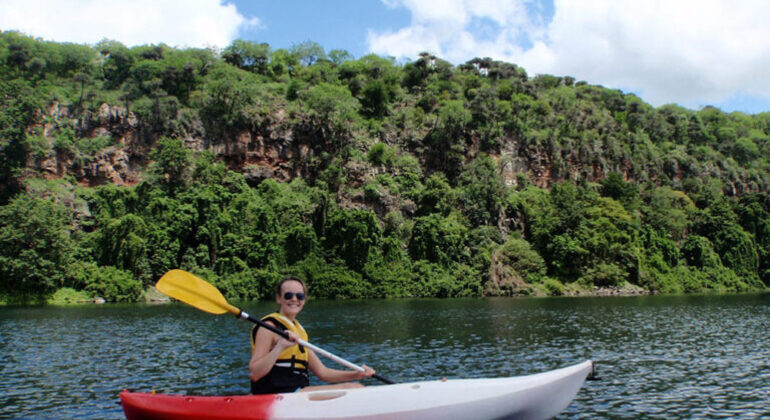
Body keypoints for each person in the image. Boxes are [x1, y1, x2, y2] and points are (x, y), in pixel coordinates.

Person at [249, 276, 376, 394]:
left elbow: (323, 373)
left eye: (300, 296)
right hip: (276, 393)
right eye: (288, 295)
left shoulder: (299, 332)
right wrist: (280, 347)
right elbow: (255, 373)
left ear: (304, 300)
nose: (294, 299)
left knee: (356, 385)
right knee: (355, 389)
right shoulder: (269, 327)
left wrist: (357, 374)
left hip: (298, 392)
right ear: (279, 298)